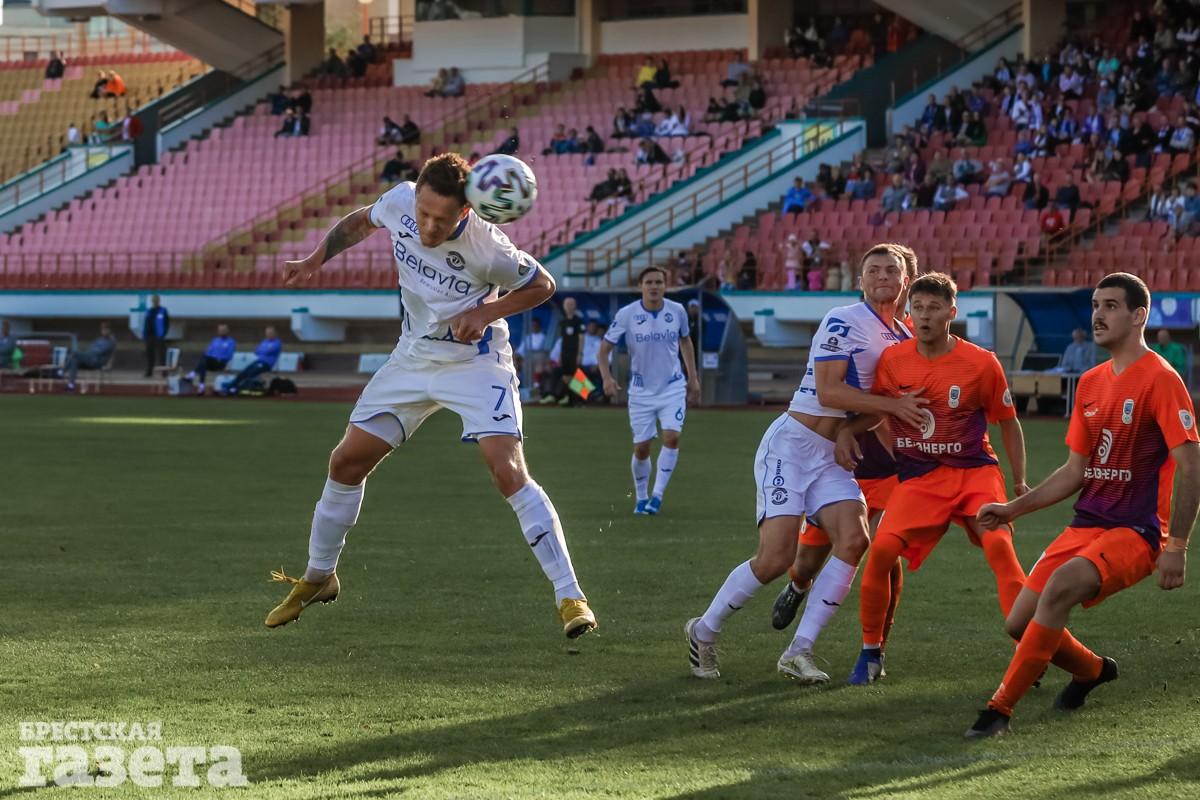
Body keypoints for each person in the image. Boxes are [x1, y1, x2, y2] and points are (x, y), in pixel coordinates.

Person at [268, 153, 596, 639]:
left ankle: (571, 596)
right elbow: (360, 222)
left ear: (465, 211)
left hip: (476, 365)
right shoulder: (400, 200)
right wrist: (316, 257)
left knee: (507, 471)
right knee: (346, 462)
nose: (427, 226)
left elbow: (542, 285)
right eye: (423, 213)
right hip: (413, 358)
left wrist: (486, 314)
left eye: (441, 220)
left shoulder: (489, 247)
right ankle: (319, 577)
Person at [967, 272, 1200, 738]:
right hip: (1086, 524)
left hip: (1136, 530)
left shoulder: (1161, 379)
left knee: (1059, 588)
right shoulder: (1091, 383)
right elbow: (1075, 471)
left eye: (1111, 305)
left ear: (1139, 316)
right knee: (1019, 622)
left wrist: (1176, 546)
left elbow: (1191, 466)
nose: (1098, 314)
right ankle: (1093, 670)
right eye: (1095, 305)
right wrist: (1012, 509)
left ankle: (998, 711)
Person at [686, 244, 927, 682]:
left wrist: (856, 431)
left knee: (854, 540)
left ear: (905, 280)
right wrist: (890, 408)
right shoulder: (843, 319)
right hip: (791, 447)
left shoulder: (904, 340)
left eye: (891, 270)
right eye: (873, 269)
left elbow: (880, 408)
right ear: (861, 280)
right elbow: (831, 391)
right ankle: (703, 630)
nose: (883, 276)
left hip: (831, 456)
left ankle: (799, 651)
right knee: (776, 558)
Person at [833, 272, 1029, 685]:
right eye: (917, 307)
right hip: (921, 479)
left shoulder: (981, 363)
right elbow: (881, 410)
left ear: (951, 313)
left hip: (975, 474)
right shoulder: (894, 360)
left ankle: (1028, 647)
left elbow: (1009, 421)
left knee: (1000, 548)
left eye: (934, 308)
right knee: (881, 551)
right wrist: (850, 430)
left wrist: (1019, 482)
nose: (924, 316)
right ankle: (870, 652)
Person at [598, 267, 701, 515]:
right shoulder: (627, 314)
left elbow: (685, 341)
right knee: (642, 448)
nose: (654, 286)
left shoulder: (677, 311)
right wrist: (607, 378)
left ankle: (657, 496)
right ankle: (641, 497)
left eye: (658, 282)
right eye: (649, 282)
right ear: (640, 286)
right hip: (641, 391)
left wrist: (693, 378)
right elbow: (603, 350)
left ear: (665, 286)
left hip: (672, 386)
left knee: (672, 437)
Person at [540, 296, 586, 406]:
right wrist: (560, 355)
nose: (569, 307)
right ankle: (568, 397)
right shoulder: (563, 322)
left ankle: (583, 398)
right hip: (565, 352)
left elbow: (581, 338)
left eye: (571, 304)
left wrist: (579, 353)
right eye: (567, 304)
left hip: (574, 352)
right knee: (566, 375)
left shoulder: (578, 321)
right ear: (564, 306)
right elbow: (563, 340)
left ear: (575, 306)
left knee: (577, 375)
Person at [222, 326, 282, 395]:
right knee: (244, 371)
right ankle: (231, 385)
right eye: (267, 333)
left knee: (251, 373)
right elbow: (256, 351)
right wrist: (264, 351)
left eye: (270, 333)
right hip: (259, 361)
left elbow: (268, 351)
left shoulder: (277, 343)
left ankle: (239, 388)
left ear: (274, 333)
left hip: (266, 364)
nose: (269, 334)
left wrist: (263, 350)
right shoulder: (264, 341)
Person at [184, 324, 236, 394]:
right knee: (203, 362)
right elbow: (209, 352)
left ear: (227, 331)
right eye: (220, 330)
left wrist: (220, 358)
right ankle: (201, 386)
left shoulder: (230, 341)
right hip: (210, 362)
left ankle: (193, 376)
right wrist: (211, 357)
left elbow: (230, 355)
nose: (222, 332)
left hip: (220, 363)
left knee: (203, 361)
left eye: (223, 330)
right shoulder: (215, 340)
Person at [65, 323, 117, 392]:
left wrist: (93, 351)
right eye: (103, 329)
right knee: (74, 361)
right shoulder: (99, 339)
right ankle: (71, 385)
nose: (104, 331)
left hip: (97, 362)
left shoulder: (111, 341)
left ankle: (62, 371)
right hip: (89, 359)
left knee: (75, 353)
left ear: (109, 330)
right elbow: (90, 348)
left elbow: (99, 352)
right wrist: (92, 351)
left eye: (106, 329)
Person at [142, 295, 169, 378]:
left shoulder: (163, 310)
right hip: (149, 336)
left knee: (162, 355)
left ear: (159, 301)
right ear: (152, 301)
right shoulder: (149, 311)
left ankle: (164, 372)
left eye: (156, 300)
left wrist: (164, 333)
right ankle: (149, 372)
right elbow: (145, 323)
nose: (155, 301)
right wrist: (145, 335)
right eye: (154, 300)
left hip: (159, 336)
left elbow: (167, 323)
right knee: (149, 355)